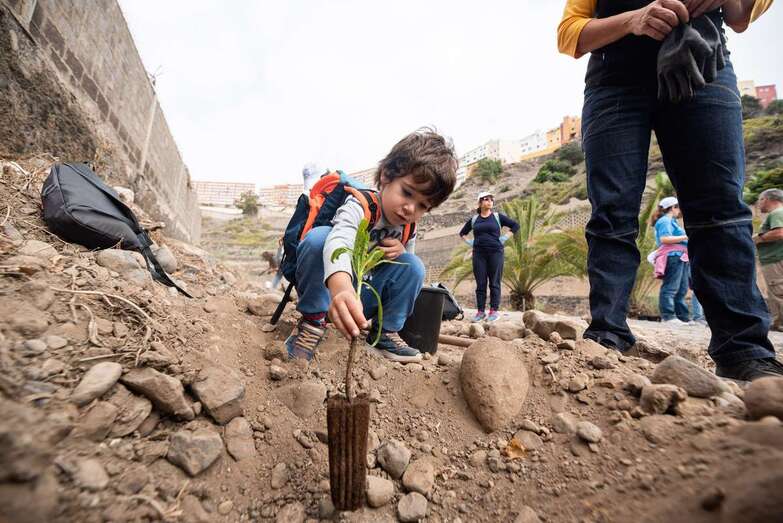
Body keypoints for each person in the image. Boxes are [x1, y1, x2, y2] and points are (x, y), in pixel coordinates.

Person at [558, 0, 781, 380]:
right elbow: (570, 34)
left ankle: (744, 350)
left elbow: (741, 16)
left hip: (702, 64)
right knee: (612, 213)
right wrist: (634, 20)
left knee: (721, 210)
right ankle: (607, 335)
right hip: (615, 82)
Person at [284, 129, 457, 362]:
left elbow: (407, 274)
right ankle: (313, 324)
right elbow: (340, 239)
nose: (410, 209)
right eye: (407, 193)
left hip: (362, 296)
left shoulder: (408, 227)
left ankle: (385, 332)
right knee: (320, 239)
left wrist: (402, 252)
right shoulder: (361, 205)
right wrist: (342, 288)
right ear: (386, 176)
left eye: (422, 206)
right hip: (331, 291)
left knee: (413, 266)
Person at [459, 191, 520, 322]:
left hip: (495, 253)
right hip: (479, 254)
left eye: (491, 199)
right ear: (480, 202)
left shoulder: (498, 217)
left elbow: (515, 225)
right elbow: (462, 233)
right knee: (481, 283)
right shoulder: (475, 219)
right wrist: (470, 242)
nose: (490, 201)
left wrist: (504, 238)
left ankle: (494, 311)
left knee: (494, 283)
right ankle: (480, 312)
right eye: (486, 199)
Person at [651, 196, 702, 324]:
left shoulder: (671, 221)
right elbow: (664, 239)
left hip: (681, 257)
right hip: (673, 256)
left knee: (682, 288)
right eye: (678, 207)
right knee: (671, 287)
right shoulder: (664, 221)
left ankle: (682, 317)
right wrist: (686, 236)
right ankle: (668, 316)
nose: (679, 210)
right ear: (673, 207)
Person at [754, 188, 783, 330]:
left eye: (760, 200)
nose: (758, 204)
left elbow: (779, 233)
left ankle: (780, 324)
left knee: (777, 292)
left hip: (775, 260)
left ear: (768, 199)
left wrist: (759, 238)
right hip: (776, 258)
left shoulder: (777, 213)